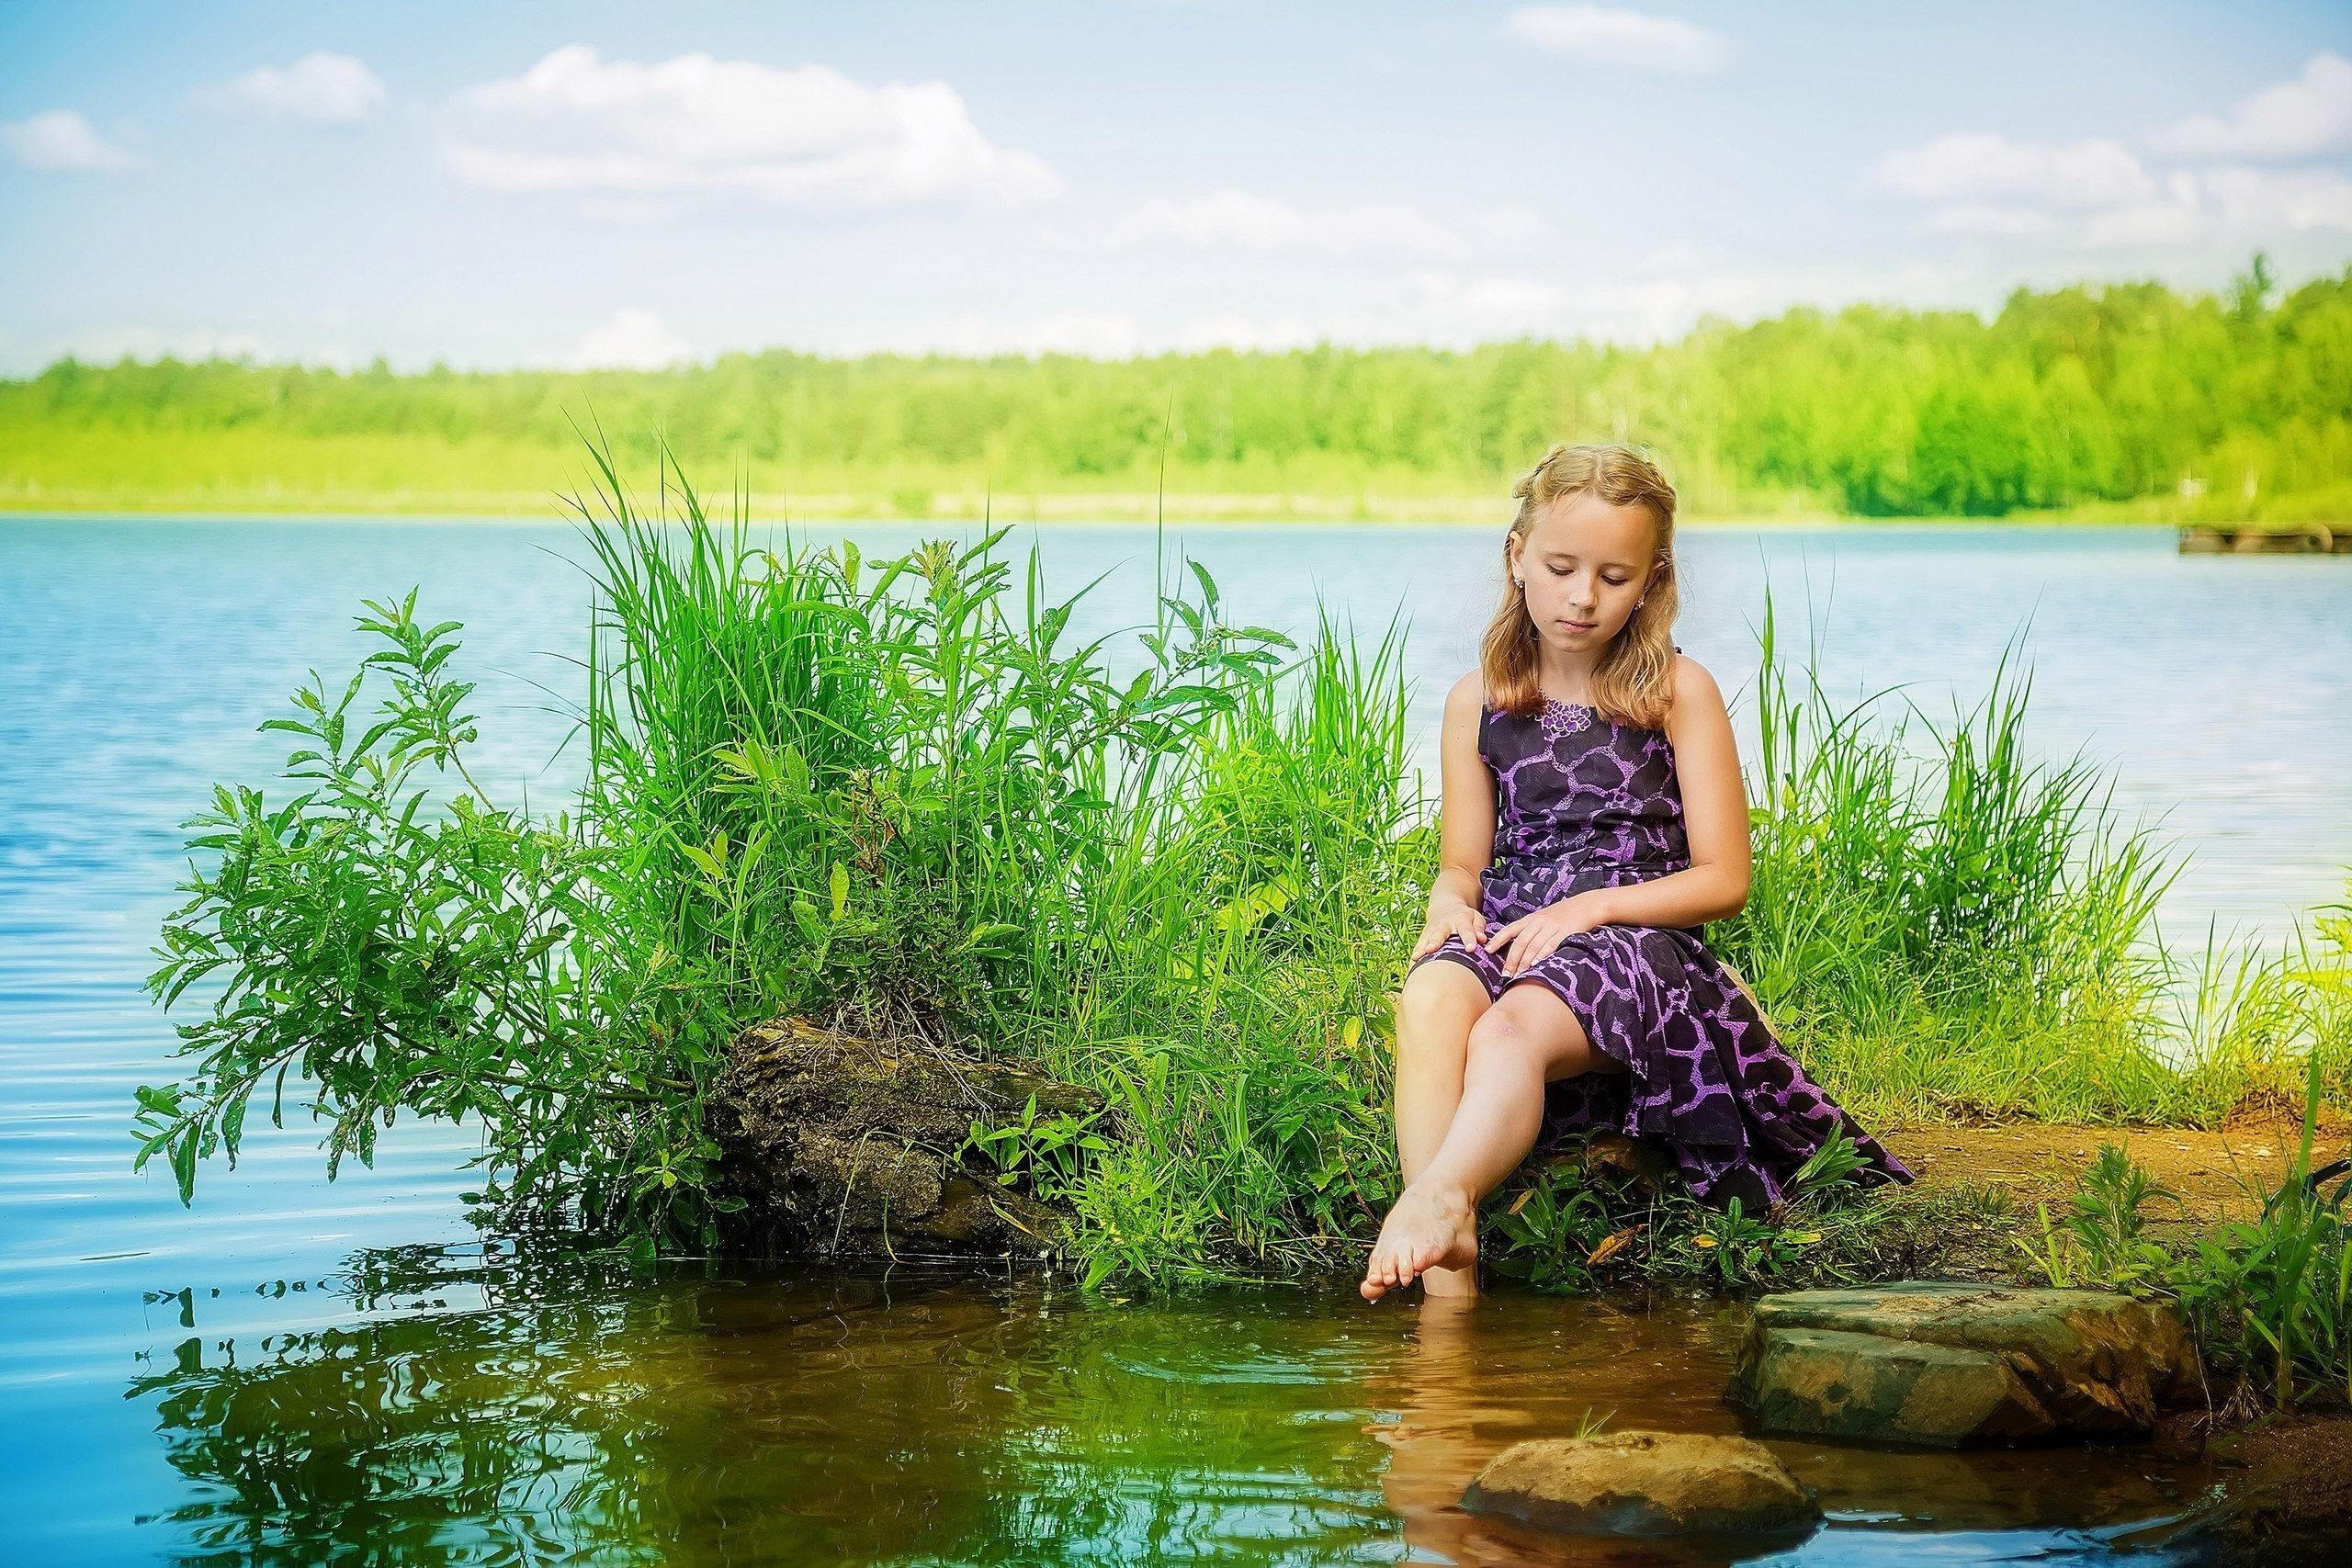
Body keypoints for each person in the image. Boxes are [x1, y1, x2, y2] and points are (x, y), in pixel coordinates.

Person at [1361, 443, 1910, 1303]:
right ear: (1517, 558)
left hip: (1637, 944)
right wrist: (1446, 898)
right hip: (1516, 928)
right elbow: (1464, 864)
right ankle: (1449, 1301)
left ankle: (1440, 1195)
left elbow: (1725, 878)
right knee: (1431, 1000)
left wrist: (1590, 909)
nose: (1583, 596)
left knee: (1506, 1036)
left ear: (1652, 580)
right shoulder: (1479, 702)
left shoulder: (1678, 692)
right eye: (1561, 566)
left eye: (1614, 576)